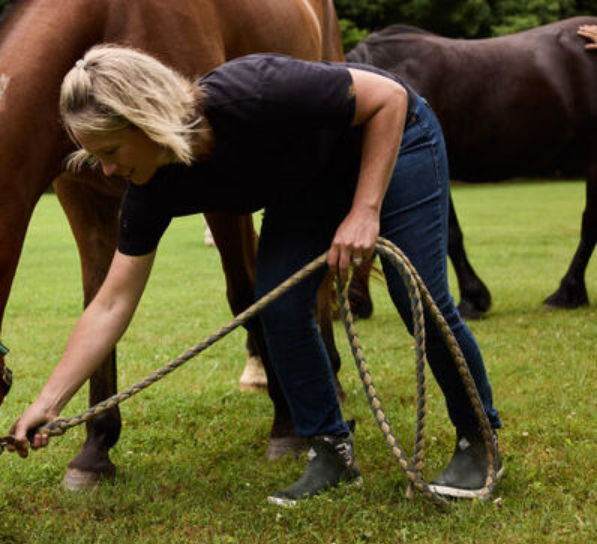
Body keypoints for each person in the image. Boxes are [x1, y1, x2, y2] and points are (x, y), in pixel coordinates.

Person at [7, 45, 503, 504]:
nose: (107, 171)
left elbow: (389, 99)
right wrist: (49, 402)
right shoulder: (150, 188)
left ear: (146, 120)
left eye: (111, 151)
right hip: (307, 184)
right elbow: (112, 302)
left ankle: (478, 442)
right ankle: (330, 451)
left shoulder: (252, 91)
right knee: (278, 308)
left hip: (393, 138)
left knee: (417, 293)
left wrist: (365, 209)